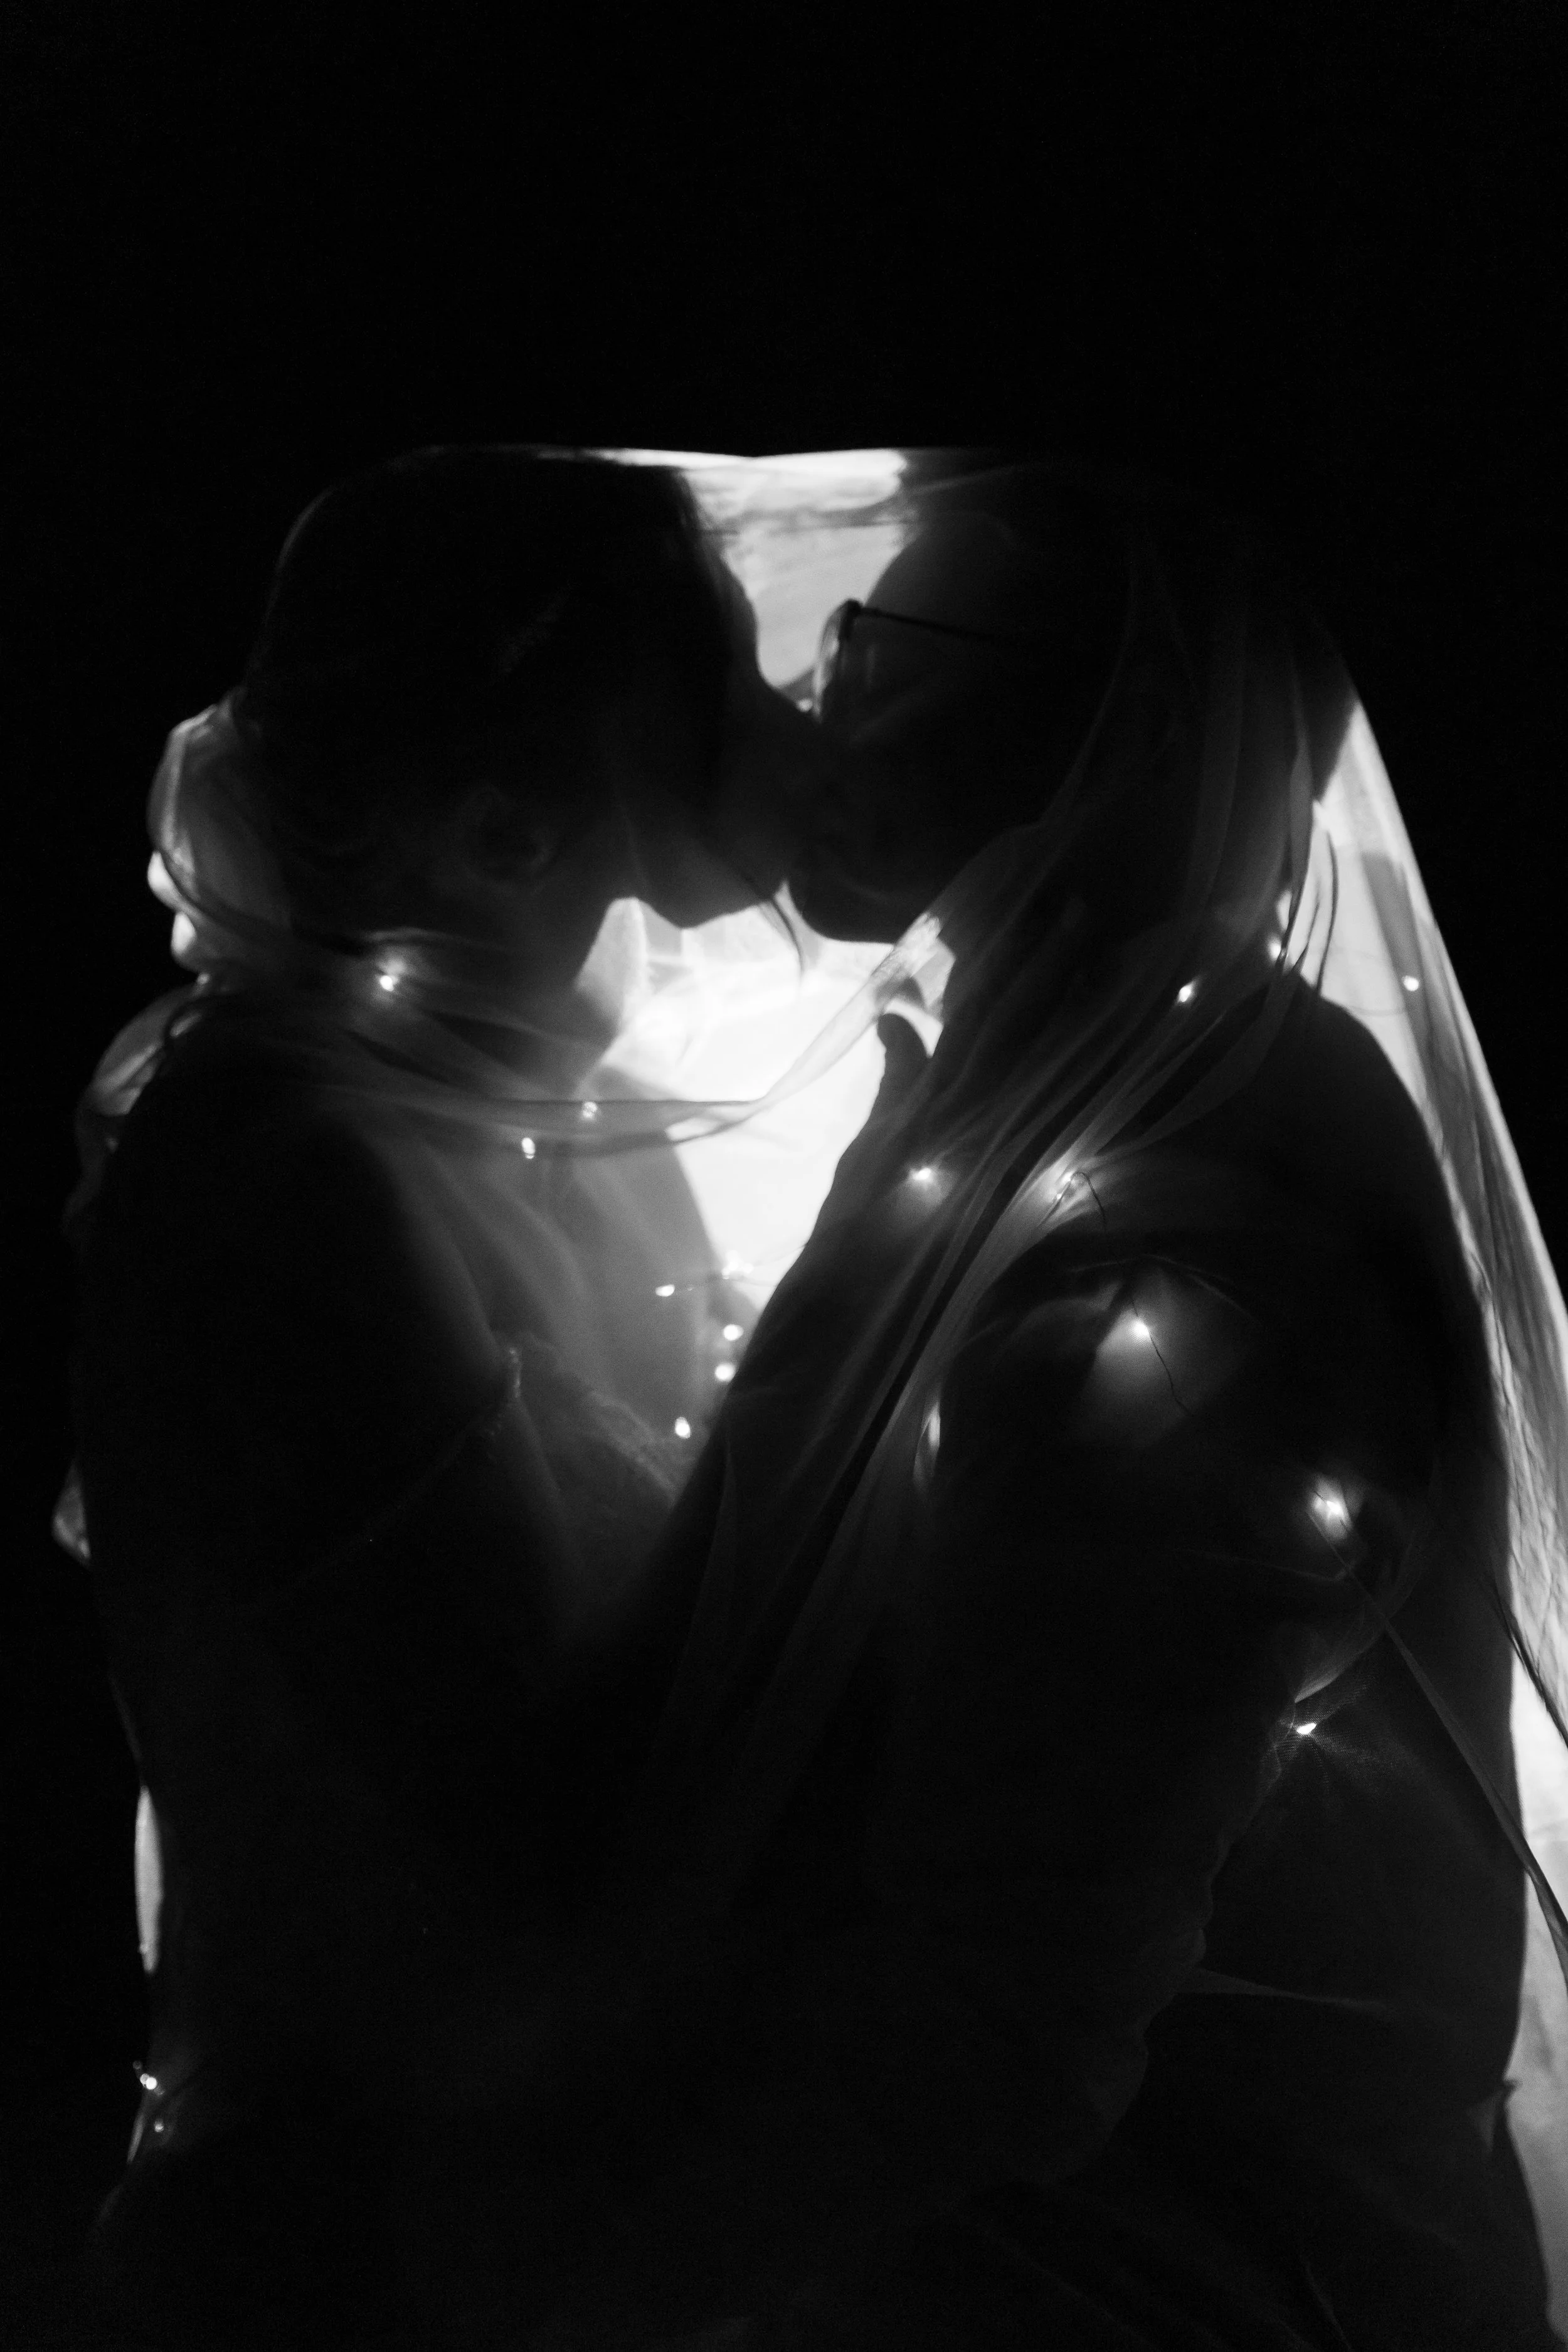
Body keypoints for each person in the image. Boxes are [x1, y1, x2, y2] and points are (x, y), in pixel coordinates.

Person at [538, 456, 1568, 2348]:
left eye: (872, 637)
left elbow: (1003, 2014)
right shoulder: (1045, 1087)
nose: (812, 695)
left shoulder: (1170, 1234)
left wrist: (563, 2271)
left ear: (1088, 718)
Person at [59, 445, 847, 2348]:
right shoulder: (288, 1159)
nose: (789, 713)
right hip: (380, 2233)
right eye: (721, 669)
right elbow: (545, 1752)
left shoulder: (533, 1083)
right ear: (512, 803)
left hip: (567, 2173)